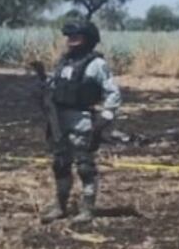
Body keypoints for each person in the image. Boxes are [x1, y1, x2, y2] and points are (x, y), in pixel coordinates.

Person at [40, 21, 121, 224]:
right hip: (59, 120)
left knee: (84, 166)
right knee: (60, 164)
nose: (71, 41)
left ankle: (87, 209)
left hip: (82, 120)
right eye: (70, 38)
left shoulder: (96, 65)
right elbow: (54, 86)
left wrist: (105, 118)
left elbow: (113, 93)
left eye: (76, 37)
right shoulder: (64, 62)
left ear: (88, 40)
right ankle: (60, 206)